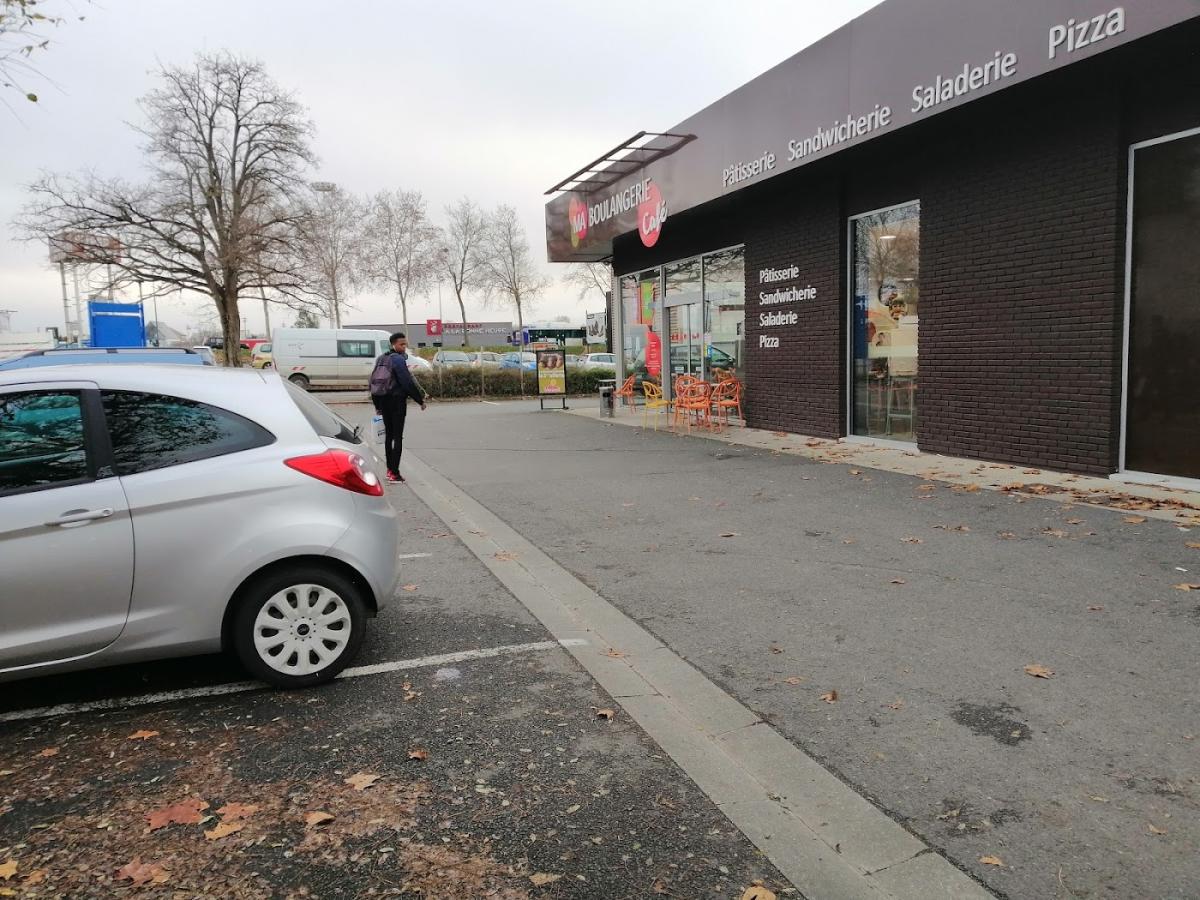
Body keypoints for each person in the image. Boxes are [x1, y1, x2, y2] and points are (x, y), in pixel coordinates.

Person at [371, 332, 426, 483]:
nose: (404, 347)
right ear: (393, 344)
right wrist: (420, 400)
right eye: (401, 344)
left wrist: (377, 405)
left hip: (384, 402)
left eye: (405, 344)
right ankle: (395, 473)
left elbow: (373, 382)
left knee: (389, 436)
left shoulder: (381, 358)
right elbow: (407, 383)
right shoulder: (398, 360)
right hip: (397, 403)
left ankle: (390, 470)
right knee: (397, 437)